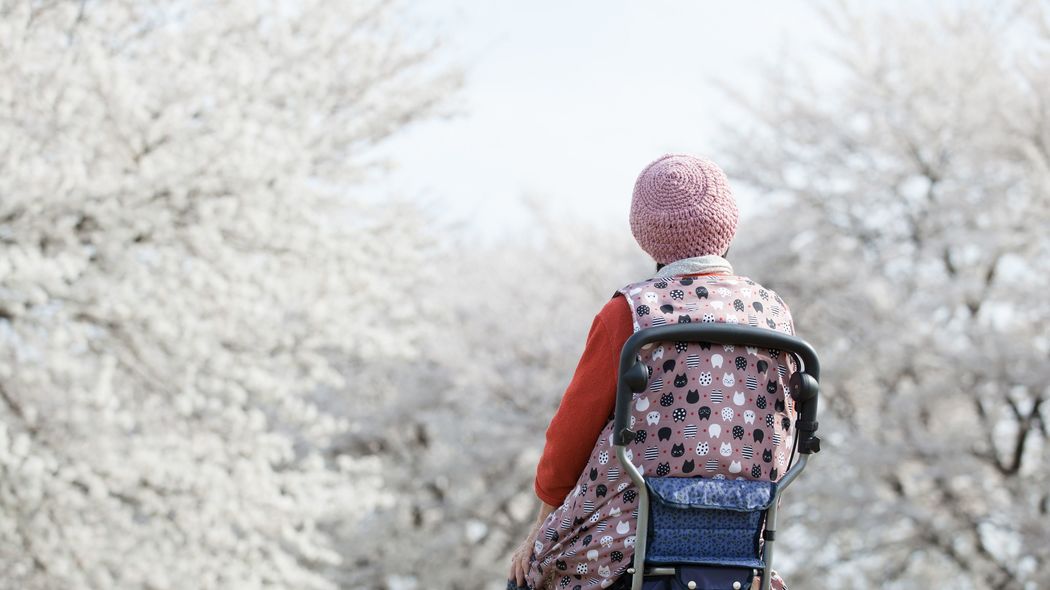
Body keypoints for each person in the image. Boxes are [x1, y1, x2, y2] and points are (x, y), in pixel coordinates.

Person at [507, 154, 796, 590]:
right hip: (739, 536)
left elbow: (571, 435)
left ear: (645, 234)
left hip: (628, 535)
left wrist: (543, 526)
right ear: (729, 224)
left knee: (531, 577)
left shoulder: (629, 314)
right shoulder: (773, 315)